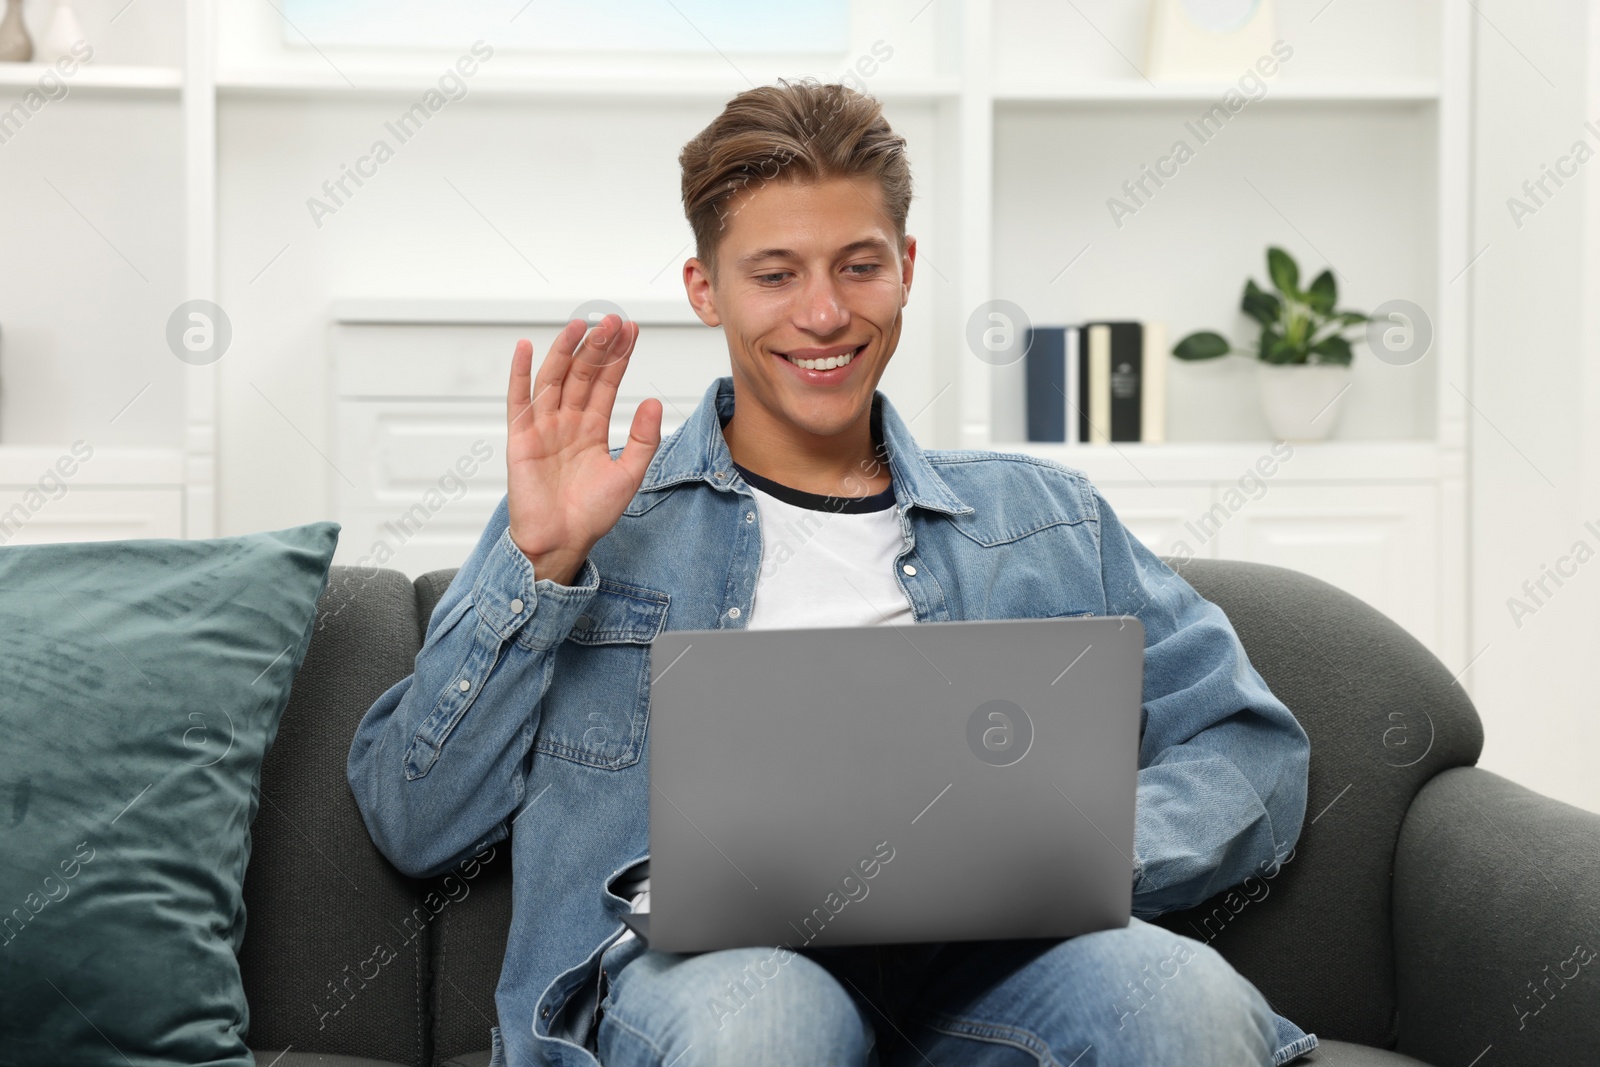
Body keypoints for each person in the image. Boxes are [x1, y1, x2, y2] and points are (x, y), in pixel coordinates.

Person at [348, 77, 1317, 1067]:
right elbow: (415, 821)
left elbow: (1251, 752)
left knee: (1180, 1002)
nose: (823, 313)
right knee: (766, 1022)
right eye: (774, 273)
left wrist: (1078, 851)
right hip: (717, 976)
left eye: (858, 266)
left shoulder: (1047, 521)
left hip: (993, 968)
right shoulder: (596, 526)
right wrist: (539, 563)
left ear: (903, 267)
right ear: (704, 286)